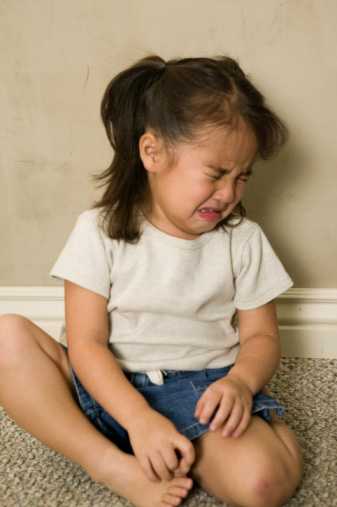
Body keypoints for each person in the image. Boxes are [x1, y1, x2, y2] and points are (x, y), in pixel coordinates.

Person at [0, 54, 303, 507]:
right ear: (153, 153)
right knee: (6, 337)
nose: (229, 194)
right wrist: (138, 419)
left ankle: (184, 448)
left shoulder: (244, 240)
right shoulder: (98, 230)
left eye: (242, 177)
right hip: (101, 385)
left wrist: (241, 384)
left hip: (197, 397)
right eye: (216, 173)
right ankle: (106, 461)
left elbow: (261, 336)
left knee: (264, 485)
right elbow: (86, 345)